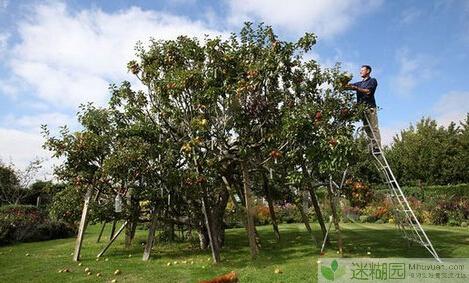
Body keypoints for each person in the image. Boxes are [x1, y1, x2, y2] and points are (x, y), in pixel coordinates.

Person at [346, 65, 382, 150]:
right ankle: (372, 146)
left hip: (370, 108)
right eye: (360, 70)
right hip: (362, 109)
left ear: (368, 71)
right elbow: (350, 86)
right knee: (367, 129)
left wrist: (356, 88)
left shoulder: (372, 81)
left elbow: (368, 91)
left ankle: (377, 146)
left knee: (374, 128)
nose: (360, 72)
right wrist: (343, 83)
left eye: (362, 70)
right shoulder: (360, 83)